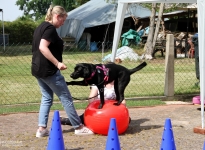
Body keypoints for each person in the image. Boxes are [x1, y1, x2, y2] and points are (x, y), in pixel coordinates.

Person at [31, 5, 93, 137]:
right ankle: (79, 127)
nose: (63, 23)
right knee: (66, 98)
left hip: (38, 70)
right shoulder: (50, 28)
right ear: (57, 16)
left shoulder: (40, 26)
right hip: (49, 71)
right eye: (63, 20)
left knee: (47, 98)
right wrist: (57, 63)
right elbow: (43, 47)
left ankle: (41, 129)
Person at [60, 81, 129, 125]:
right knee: (81, 120)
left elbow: (123, 101)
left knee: (128, 120)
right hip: (99, 109)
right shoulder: (97, 83)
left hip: (112, 111)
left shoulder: (118, 84)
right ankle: (66, 120)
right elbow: (91, 99)